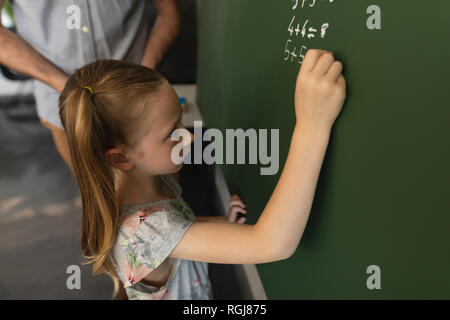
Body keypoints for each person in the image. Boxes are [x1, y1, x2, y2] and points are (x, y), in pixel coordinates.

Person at [57, 48, 346, 300]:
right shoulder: (141, 234)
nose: (190, 138)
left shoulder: (146, 178)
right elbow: (272, 243)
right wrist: (312, 126)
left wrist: (219, 223)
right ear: (121, 158)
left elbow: (174, 226)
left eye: (181, 121)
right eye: (172, 132)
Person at [0, 0, 181, 174]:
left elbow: (168, 10)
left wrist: (142, 77)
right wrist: (62, 84)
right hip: (63, 104)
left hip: (141, 103)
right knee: (98, 194)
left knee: (163, 189)